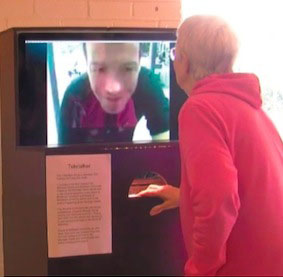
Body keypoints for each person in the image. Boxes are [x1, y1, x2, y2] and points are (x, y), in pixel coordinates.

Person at [137, 15, 283, 276]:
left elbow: (219, 199)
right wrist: (185, 198)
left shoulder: (200, 109)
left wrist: (200, 268)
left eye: (175, 52)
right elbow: (249, 192)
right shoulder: (252, 108)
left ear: (186, 62)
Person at [58, 42, 169, 144]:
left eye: (127, 69)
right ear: (87, 63)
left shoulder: (146, 83)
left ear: (139, 61)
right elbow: (63, 159)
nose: (113, 88)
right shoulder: (75, 97)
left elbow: (166, 141)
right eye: (100, 69)